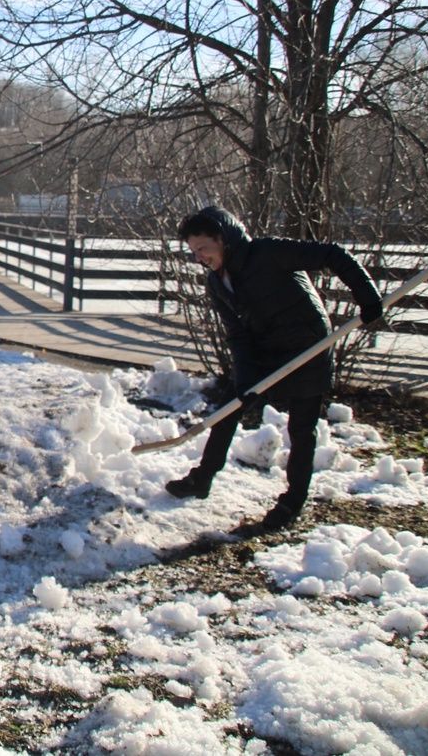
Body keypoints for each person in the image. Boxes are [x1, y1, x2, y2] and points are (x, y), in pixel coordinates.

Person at [164, 206, 383, 530]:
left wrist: (367, 295)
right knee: (229, 406)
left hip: (308, 345)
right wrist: (247, 378)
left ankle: (292, 503)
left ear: (222, 239)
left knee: (301, 429)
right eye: (194, 251)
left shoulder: (267, 253)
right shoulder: (217, 283)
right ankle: (202, 478)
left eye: (203, 249)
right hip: (268, 349)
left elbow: (332, 255)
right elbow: (237, 333)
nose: (200, 257)